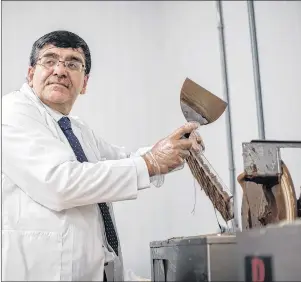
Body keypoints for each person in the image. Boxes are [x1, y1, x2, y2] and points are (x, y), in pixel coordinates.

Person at [2, 30, 202, 281]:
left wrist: (172, 149)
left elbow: (120, 161)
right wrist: (151, 163)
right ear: (31, 74)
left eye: (73, 64)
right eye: (50, 60)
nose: (60, 71)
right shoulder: (12, 112)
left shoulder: (77, 129)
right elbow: (61, 183)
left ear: (84, 83)